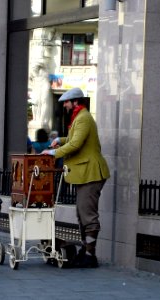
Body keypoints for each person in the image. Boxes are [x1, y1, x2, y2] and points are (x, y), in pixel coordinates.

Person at [42, 87, 110, 268]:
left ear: (75, 102)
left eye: (67, 102)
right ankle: (86, 251)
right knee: (82, 214)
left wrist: (53, 152)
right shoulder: (79, 117)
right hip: (84, 173)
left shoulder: (84, 118)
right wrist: (60, 140)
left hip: (91, 173)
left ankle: (90, 255)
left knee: (88, 215)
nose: (64, 105)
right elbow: (73, 139)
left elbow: (77, 144)